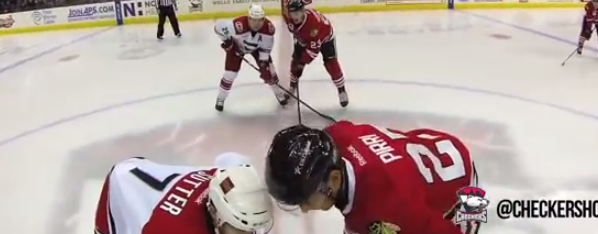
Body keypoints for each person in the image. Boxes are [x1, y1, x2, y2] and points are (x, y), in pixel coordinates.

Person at [264, 121, 479, 234]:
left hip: (465, 191)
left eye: (306, 199)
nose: (304, 209)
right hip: (434, 144)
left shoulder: (386, 206)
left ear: (335, 179)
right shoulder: (335, 135)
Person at [94, 152, 273, 234]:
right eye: (239, 230)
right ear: (217, 216)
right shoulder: (170, 229)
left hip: (145, 176)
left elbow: (230, 159)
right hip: (119, 193)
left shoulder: (228, 179)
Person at [213, 4, 288, 111]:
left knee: (271, 72)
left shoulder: (268, 29)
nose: (257, 23)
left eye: (260, 20)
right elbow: (217, 28)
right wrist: (228, 42)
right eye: (253, 20)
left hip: (257, 49)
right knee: (230, 74)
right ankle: (220, 98)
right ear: (248, 18)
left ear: (264, 19)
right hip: (237, 48)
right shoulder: (237, 25)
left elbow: (265, 49)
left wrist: (263, 65)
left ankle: (278, 93)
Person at [283, 0, 348, 107]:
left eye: (298, 13)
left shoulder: (313, 26)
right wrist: (298, 64)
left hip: (325, 37)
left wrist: (302, 64)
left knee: (331, 63)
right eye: (292, 13)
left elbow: (313, 51)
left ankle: (342, 90)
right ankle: (292, 87)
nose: (295, 16)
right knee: (295, 62)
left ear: (303, 11)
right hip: (303, 38)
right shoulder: (289, 19)